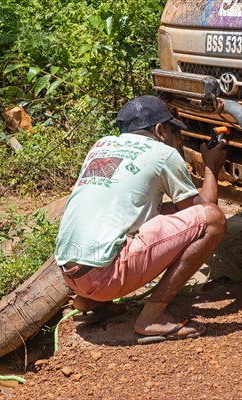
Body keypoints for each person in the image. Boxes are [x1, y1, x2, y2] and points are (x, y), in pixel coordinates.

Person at [55, 95, 227, 343]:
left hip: (70, 273)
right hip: (106, 278)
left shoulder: (101, 146)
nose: (173, 138)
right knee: (213, 219)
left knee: (151, 214)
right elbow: (207, 210)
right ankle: (152, 317)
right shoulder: (162, 153)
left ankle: (92, 301)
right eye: (171, 131)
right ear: (159, 130)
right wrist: (211, 167)